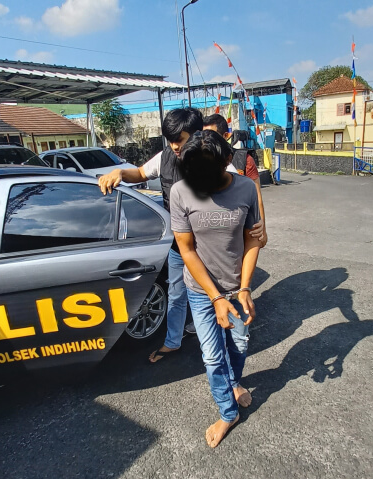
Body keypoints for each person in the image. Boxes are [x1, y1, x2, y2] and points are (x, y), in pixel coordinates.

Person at [169, 129, 262, 448]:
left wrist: (245, 288)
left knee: (239, 345)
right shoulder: (181, 191)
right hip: (200, 290)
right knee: (212, 355)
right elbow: (186, 248)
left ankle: (235, 382)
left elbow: (254, 237)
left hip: (237, 289)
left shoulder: (247, 187)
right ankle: (227, 412)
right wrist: (215, 297)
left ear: (227, 161)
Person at [98, 108, 204, 363]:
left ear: (197, 135)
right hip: (180, 245)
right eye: (170, 140)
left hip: (209, 246)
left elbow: (239, 188)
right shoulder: (165, 156)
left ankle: (221, 347)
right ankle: (173, 342)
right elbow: (141, 173)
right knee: (177, 295)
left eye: (180, 139)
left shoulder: (213, 158)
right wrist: (121, 173)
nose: (174, 146)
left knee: (212, 296)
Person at [203, 114, 267, 247]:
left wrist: (263, 230)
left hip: (240, 229)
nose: (208, 139)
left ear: (226, 135)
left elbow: (257, 197)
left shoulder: (244, 159)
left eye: (212, 134)